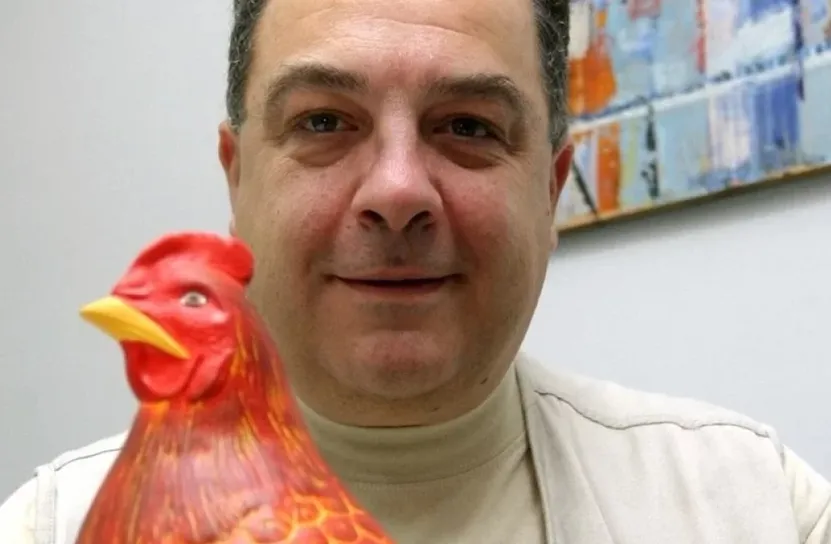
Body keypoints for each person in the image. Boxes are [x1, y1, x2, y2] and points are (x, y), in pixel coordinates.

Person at [1, 0, 830, 542]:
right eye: (322, 121)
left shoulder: (758, 509)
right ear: (237, 178)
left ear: (548, 191)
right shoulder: (50, 526)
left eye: (467, 126)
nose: (397, 192)